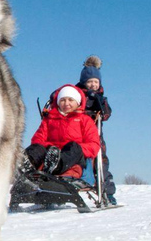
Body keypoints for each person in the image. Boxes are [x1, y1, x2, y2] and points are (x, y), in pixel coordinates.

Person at [20, 84, 101, 179]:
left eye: (70, 100)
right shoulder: (49, 119)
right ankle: (25, 164)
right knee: (37, 147)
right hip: (49, 154)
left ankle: (56, 165)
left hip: (72, 158)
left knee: (74, 147)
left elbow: (93, 144)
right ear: (58, 102)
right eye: (62, 100)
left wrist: (76, 150)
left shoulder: (85, 120)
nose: (66, 103)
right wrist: (50, 148)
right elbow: (37, 139)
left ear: (78, 102)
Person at [76, 55, 117, 204]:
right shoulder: (77, 95)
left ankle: (108, 192)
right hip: (79, 134)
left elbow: (107, 114)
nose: (93, 85)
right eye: (90, 82)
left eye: (96, 82)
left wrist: (99, 102)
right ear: (84, 82)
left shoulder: (101, 97)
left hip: (96, 135)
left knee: (102, 163)